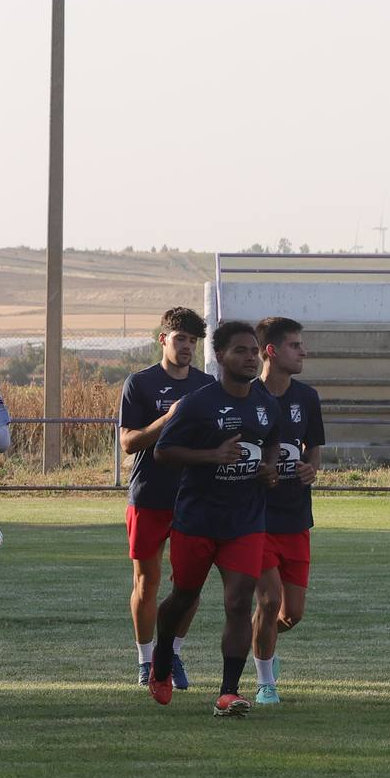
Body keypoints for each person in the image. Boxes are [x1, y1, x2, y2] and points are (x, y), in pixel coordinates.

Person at [148, 321, 280, 717]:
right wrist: (212, 456)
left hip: (245, 520)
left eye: (254, 351)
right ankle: (161, 658)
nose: (250, 357)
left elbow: (272, 438)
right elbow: (163, 452)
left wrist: (269, 467)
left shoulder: (264, 403)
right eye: (240, 350)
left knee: (239, 603)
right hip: (197, 519)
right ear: (220, 356)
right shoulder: (198, 404)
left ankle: (228, 691)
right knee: (184, 596)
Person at [118, 307, 215, 688]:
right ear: (163, 339)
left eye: (193, 340)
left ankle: (170, 655)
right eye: (181, 339)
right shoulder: (139, 383)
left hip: (194, 497)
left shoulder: (207, 386)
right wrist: (167, 420)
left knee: (188, 585)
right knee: (147, 581)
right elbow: (128, 442)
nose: (188, 346)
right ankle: (145, 661)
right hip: (149, 495)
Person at [250, 317, 325, 706]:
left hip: (297, 518)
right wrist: (257, 474)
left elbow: (313, 450)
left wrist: (311, 469)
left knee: (291, 612)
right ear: (272, 351)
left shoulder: (307, 398)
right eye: (295, 345)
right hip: (256, 519)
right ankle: (265, 683)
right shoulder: (246, 396)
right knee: (267, 599)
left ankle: (266, 642)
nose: (303, 351)